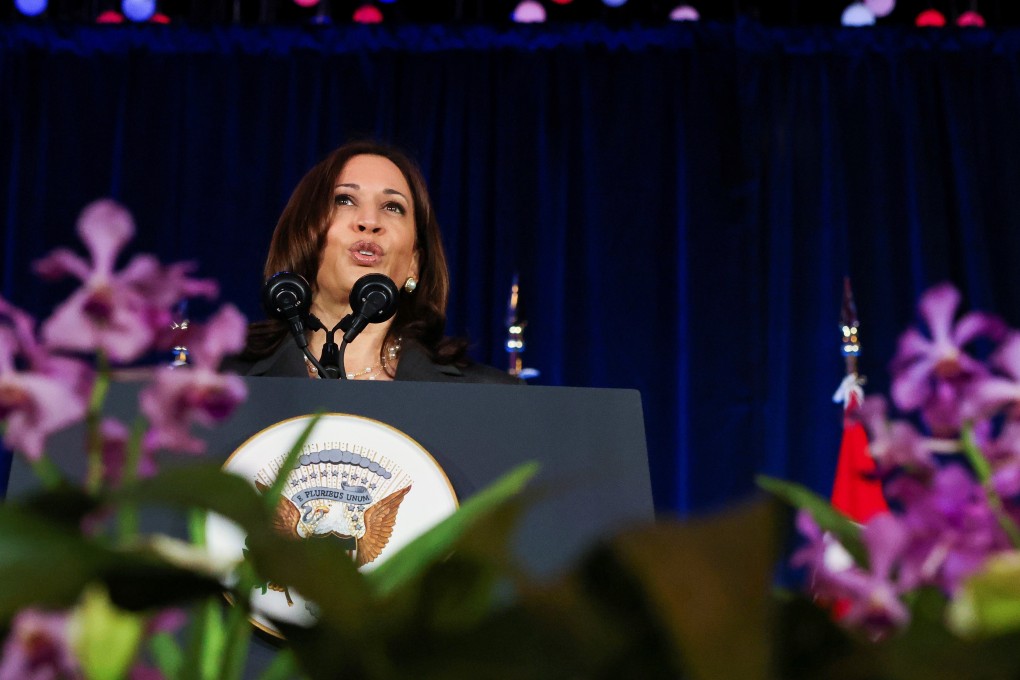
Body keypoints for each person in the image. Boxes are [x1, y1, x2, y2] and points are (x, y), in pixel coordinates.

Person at [225, 140, 521, 385]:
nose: (369, 221)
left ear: (414, 263)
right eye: (344, 200)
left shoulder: (494, 397)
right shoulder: (219, 386)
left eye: (393, 207)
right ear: (303, 238)